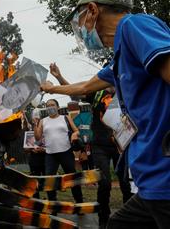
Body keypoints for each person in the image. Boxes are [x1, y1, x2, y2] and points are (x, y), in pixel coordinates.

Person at [41, 0, 170, 228]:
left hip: (164, 175)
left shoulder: (134, 26)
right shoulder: (119, 58)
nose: (80, 29)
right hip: (151, 179)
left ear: (92, 10)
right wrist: (51, 87)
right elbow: (83, 88)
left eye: (79, 20)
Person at [48, 63, 132, 228]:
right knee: (105, 183)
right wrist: (59, 77)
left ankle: (129, 219)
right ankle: (103, 220)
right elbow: (77, 90)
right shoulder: (96, 93)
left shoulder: (125, 91)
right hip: (99, 146)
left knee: (125, 183)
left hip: (121, 144)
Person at [34, 99, 83, 204]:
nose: (50, 107)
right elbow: (38, 138)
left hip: (66, 152)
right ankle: (53, 204)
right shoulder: (43, 121)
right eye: (48, 105)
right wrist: (35, 124)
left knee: (72, 179)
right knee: (49, 181)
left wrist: (75, 135)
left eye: (52, 105)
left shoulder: (65, 117)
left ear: (58, 107)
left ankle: (79, 202)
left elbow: (77, 130)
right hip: (50, 155)